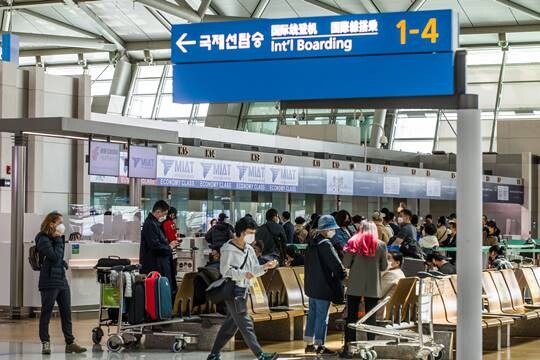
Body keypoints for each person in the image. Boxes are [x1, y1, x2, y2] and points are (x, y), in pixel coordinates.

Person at [207, 217, 278, 360]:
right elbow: (225, 271)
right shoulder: (228, 249)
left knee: (230, 325)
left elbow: (253, 270)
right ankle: (260, 354)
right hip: (233, 291)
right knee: (246, 323)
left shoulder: (249, 249)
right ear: (240, 232)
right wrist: (243, 274)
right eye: (249, 232)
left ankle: (214, 354)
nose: (252, 236)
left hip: (243, 290)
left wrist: (265, 266)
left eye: (253, 233)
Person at [36, 212, 86, 355]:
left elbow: (58, 257)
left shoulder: (56, 238)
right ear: (51, 224)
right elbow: (54, 255)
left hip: (61, 280)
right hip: (49, 281)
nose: (62, 226)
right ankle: (45, 342)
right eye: (59, 222)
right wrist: (58, 240)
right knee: (46, 312)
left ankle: (70, 342)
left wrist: (62, 262)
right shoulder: (42, 238)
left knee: (66, 311)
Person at [341, 221, 388, 357]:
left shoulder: (353, 243)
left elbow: (346, 263)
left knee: (351, 318)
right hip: (373, 287)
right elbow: (384, 266)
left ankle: (349, 349)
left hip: (355, 286)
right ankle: (370, 348)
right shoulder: (381, 245)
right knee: (370, 318)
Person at [304, 215, 346, 355]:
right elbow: (335, 265)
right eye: (332, 229)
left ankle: (309, 344)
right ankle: (320, 345)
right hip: (323, 286)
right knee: (322, 317)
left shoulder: (311, 243)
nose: (333, 231)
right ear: (327, 229)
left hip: (311, 286)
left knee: (312, 315)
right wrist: (343, 275)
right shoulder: (325, 244)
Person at [140, 200, 177, 300]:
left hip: (159, 263)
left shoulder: (154, 223)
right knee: (158, 294)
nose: (164, 217)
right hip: (155, 264)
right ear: (158, 212)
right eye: (164, 214)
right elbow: (155, 246)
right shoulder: (150, 224)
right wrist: (169, 247)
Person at [162, 207, 181, 281]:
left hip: (165, 248)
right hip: (171, 248)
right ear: (172, 214)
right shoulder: (170, 223)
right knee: (173, 268)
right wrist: (176, 241)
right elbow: (172, 236)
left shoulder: (162, 223)